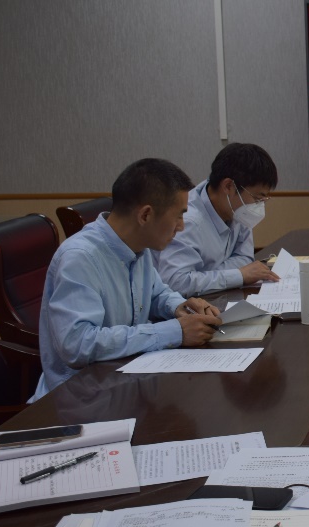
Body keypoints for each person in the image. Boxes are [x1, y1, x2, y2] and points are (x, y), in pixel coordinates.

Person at [33, 158, 222, 400]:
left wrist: (180, 307)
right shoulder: (80, 258)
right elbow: (78, 344)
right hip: (79, 397)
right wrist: (174, 332)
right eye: (178, 216)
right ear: (145, 215)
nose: (181, 227)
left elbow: (156, 293)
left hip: (124, 381)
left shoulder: (138, 245)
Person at [156, 143, 281, 297]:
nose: (259, 206)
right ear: (228, 186)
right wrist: (238, 275)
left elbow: (246, 259)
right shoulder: (188, 221)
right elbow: (176, 282)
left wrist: (207, 276)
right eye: (256, 198)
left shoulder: (236, 210)